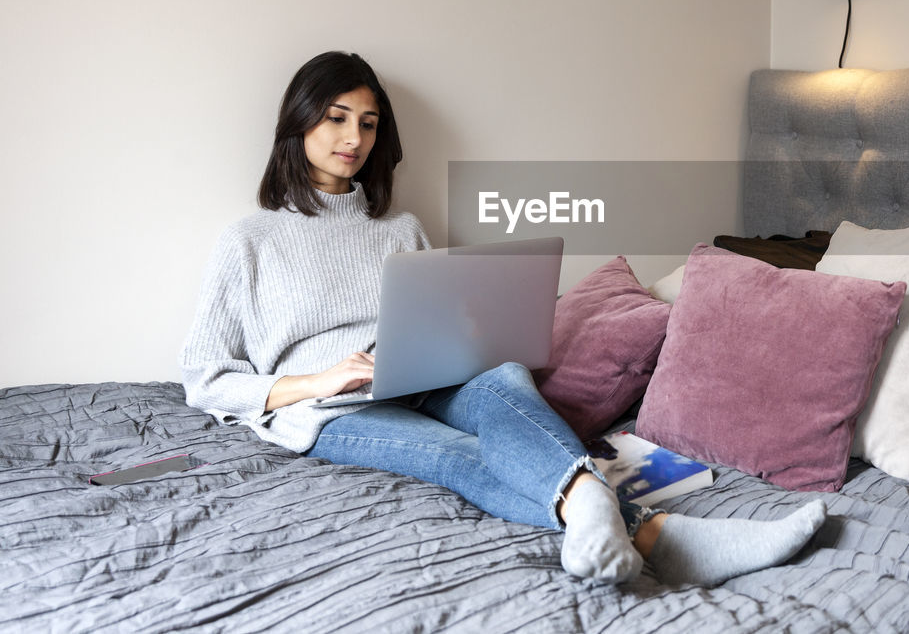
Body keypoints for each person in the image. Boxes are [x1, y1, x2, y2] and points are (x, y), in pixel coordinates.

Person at [181, 51, 826, 586]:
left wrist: (472, 339)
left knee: (507, 381)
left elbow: (439, 314)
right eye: (335, 118)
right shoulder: (250, 239)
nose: (354, 139)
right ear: (297, 123)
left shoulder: (400, 228)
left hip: (416, 377)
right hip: (328, 409)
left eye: (370, 124)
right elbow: (205, 378)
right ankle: (661, 536)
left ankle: (596, 512)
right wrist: (315, 382)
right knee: (465, 455)